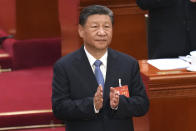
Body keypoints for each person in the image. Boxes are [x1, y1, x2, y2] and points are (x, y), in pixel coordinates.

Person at [52, 5, 149, 131]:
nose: (102, 32)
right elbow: (59, 108)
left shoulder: (128, 63)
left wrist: (119, 103)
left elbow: (142, 105)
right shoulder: (65, 66)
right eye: (95, 27)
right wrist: (92, 104)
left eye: (107, 27)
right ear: (81, 31)